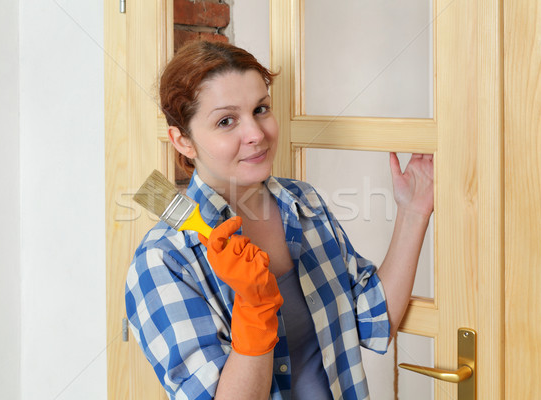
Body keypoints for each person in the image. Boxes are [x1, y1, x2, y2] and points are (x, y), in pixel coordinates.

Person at [125, 40, 434, 400]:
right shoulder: (164, 260)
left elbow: (372, 319)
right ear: (183, 141)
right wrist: (254, 309)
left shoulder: (303, 203)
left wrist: (413, 212)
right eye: (226, 121)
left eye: (261, 109)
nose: (256, 134)